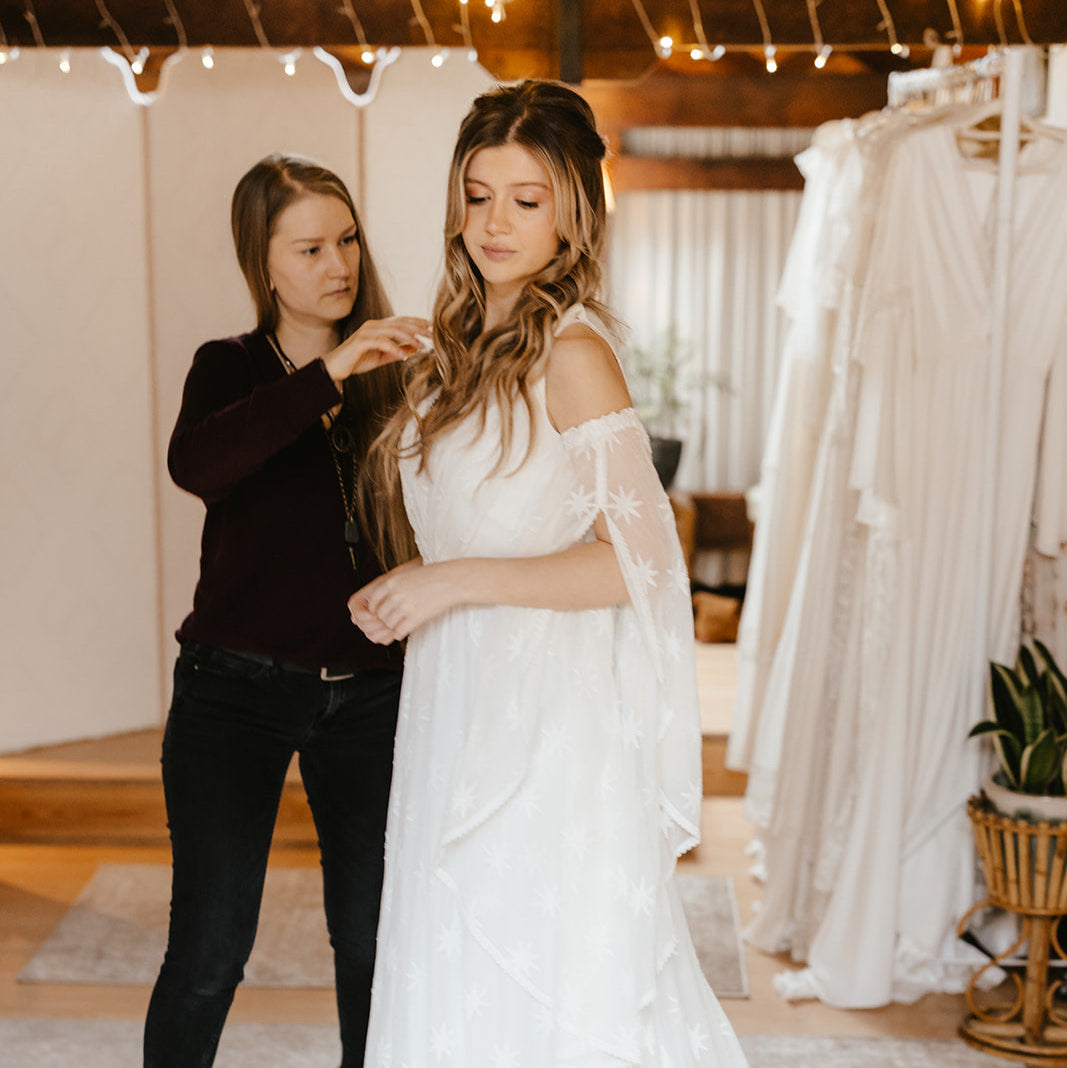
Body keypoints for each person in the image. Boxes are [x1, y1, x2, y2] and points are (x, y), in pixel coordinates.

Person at [350, 81, 749, 1066]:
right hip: (457, 697)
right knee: (451, 957)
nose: (493, 223)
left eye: (525, 201)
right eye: (477, 194)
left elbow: (641, 564)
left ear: (571, 209)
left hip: (549, 723)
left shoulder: (569, 353)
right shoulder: (454, 346)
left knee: (544, 969)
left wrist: (450, 583)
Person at [143, 153, 429, 1068]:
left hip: (372, 698)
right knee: (209, 955)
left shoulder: (396, 375)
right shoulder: (228, 370)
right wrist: (330, 372)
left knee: (375, 946)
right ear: (261, 264)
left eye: (345, 240)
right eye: (308, 248)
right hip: (234, 695)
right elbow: (201, 468)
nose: (337, 265)